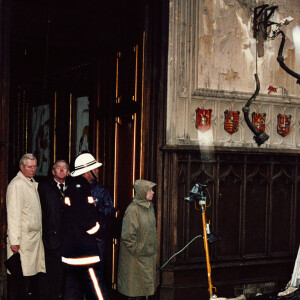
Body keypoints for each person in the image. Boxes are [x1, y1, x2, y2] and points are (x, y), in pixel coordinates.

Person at [60, 152, 109, 300]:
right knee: (98, 294)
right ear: (88, 171)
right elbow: (88, 222)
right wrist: (100, 232)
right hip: (85, 255)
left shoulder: (71, 188)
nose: (98, 171)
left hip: (70, 255)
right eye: (95, 168)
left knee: (72, 293)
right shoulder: (82, 190)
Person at [6, 153, 46, 300]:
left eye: (35, 166)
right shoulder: (17, 185)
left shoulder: (30, 182)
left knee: (29, 278)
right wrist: (15, 242)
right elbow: (13, 215)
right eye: (29, 166)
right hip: (22, 242)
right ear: (21, 167)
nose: (33, 169)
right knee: (19, 280)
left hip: (32, 240)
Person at [117, 179, 157, 299]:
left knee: (145, 289)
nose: (153, 192)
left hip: (147, 257)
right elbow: (127, 235)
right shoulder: (133, 209)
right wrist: (137, 250)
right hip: (135, 259)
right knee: (134, 290)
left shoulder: (150, 207)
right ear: (142, 191)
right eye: (150, 190)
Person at [38, 160, 70, 299]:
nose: (62, 170)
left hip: (68, 242)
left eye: (65, 168)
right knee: (51, 277)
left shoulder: (74, 188)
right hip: (50, 242)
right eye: (58, 167)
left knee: (66, 277)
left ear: (68, 172)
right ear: (53, 171)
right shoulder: (44, 188)